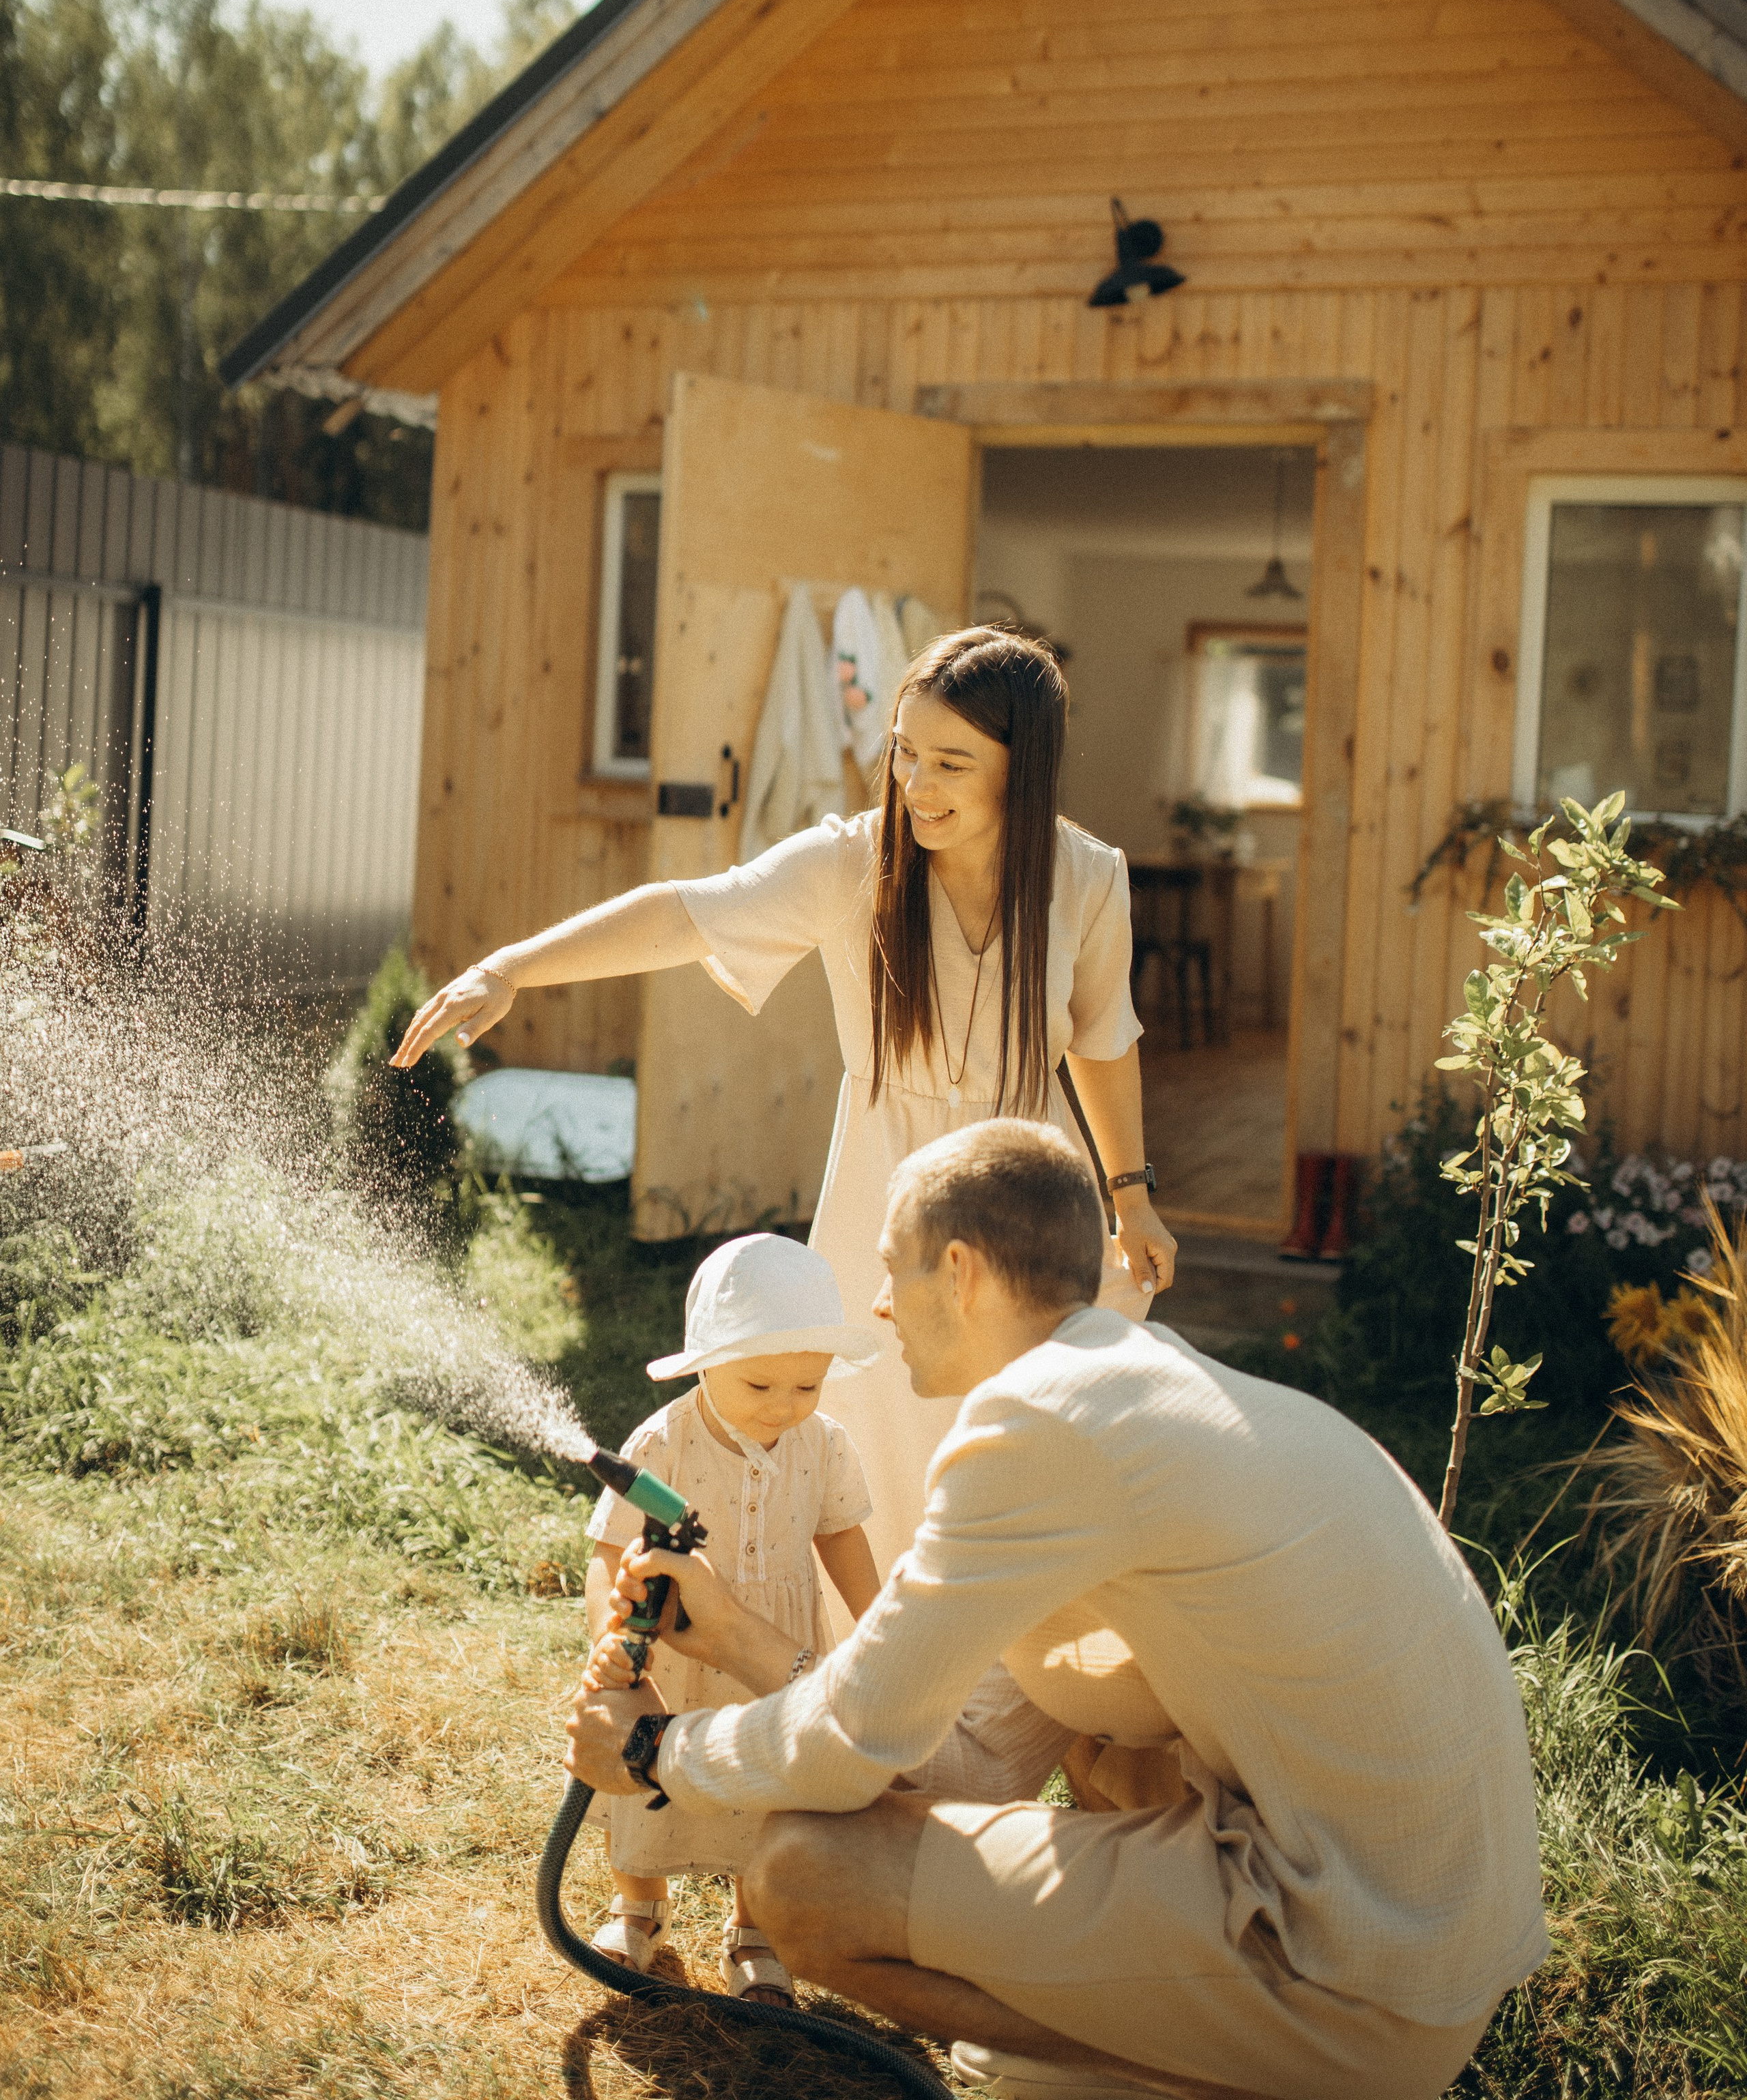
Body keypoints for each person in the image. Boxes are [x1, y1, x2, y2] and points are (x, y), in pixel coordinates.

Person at [566, 1121, 1549, 2100]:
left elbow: (860, 1744)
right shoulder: (1153, 1391)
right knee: (1092, 1731)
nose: (876, 1303)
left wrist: (659, 1751)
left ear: (959, 1273)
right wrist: (734, 1630)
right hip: (1435, 1956)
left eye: (889, 1269)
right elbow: (966, 1760)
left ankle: (1213, 2075)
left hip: (1347, 1972)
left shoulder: (1037, 1421)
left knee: (802, 1875)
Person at [393, 625, 1177, 1579]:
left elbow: (1103, 1042)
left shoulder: (1087, 875)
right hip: (892, 1199)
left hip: (1030, 1194)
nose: (917, 785)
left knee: (1039, 1446)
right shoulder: (853, 861)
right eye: (904, 751)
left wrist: (1130, 1196)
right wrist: (513, 968)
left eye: (951, 764)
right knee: (879, 1452)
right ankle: (871, 1677)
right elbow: (688, 911)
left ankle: (1023, 1688)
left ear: (1026, 767)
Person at [578, 1232, 880, 2005]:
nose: (784, 1407)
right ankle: (638, 1906)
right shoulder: (662, 1443)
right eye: (758, 1386)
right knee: (641, 1776)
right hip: (670, 1654)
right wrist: (615, 1648)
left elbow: (841, 1537)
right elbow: (610, 1550)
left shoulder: (824, 1444)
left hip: (772, 1649)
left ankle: (755, 1931)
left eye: (806, 1388)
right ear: (703, 1362)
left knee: (772, 1788)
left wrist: (878, 1623)